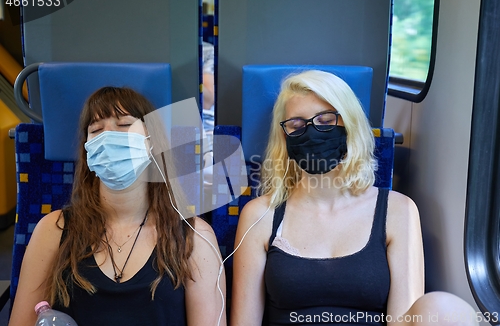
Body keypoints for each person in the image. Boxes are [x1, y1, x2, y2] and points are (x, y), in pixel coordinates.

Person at [231, 70, 478, 326]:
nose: (312, 133)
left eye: (326, 121)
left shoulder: (398, 210)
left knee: (444, 309)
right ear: (285, 138)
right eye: (297, 126)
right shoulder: (260, 215)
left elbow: (403, 320)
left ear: (349, 126)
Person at [8, 87, 226, 326]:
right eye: (96, 130)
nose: (108, 137)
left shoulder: (194, 237)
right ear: (88, 150)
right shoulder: (53, 230)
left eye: (124, 126)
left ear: (151, 142)